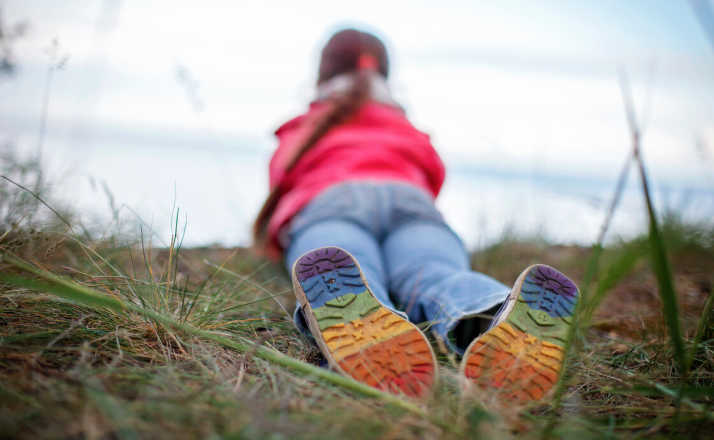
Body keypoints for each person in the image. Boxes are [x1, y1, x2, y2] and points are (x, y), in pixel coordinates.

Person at [253, 28, 579, 401]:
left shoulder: (307, 124)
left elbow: (282, 174)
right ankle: (494, 312)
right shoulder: (402, 123)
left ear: (323, 74)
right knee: (434, 273)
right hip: (413, 205)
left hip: (332, 203)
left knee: (349, 265)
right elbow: (433, 169)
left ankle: (366, 323)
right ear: (385, 74)